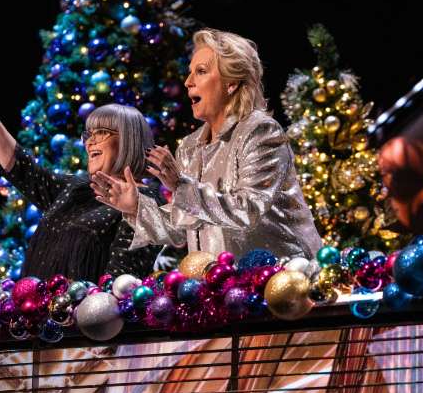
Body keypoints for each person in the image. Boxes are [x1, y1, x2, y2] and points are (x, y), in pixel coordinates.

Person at [91, 28, 322, 260]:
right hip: (222, 283)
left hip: (282, 276)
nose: (188, 82)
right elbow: (182, 229)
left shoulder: (260, 131)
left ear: (231, 83)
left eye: (200, 72)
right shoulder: (190, 147)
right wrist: (135, 206)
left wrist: (181, 186)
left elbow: (248, 209)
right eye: (190, 72)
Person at [0, 70, 161, 282]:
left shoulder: (144, 201)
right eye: (88, 135)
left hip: (87, 313)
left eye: (101, 132)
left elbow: (122, 281)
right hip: (39, 311)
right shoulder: (76, 188)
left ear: (129, 140)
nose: (90, 142)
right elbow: (22, 168)